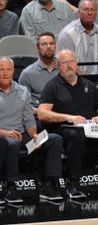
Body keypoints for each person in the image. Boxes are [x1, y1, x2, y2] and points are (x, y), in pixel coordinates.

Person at [38, 50, 98, 198]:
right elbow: (43, 113)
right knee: (77, 135)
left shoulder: (89, 86)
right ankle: (74, 182)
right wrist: (69, 117)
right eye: (64, 63)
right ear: (58, 66)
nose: (69, 65)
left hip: (90, 127)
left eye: (71, 62)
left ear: (76, 63)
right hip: (65, 128)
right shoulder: (53, 86)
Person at [0, 56, 64, 204]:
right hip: (3, 138)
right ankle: (11, 187)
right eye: (1, 69)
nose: (5, 73)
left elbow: (28, 119)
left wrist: (34, 135)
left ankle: (47, 185)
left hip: (23, 138)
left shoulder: (23, 91)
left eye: (8, 69)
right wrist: (5, 133)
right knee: (12, 142)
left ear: (13, 71)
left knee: (54, 139)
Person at [56, 0, 98, 76]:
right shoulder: (67, 34)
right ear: (79, 12)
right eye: (86, 9)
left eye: (93, 10)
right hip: (75, 82)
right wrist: (88, 85)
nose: (89, 12)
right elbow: (67, 66)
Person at [18, 32, 58, 108]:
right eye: (44, 44)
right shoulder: (27, 74)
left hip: (64, 115)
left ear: (55, 47)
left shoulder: (64, 69)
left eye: (51, 43)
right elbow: (22, 104)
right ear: (37, 48)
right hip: (38, 117)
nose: (49, 46)